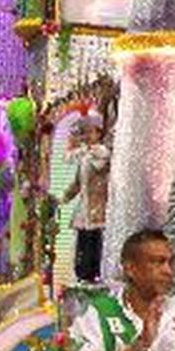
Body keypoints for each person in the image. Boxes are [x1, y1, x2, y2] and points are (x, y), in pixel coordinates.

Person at [62, 111, 112, 284]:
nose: (87, 136)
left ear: (99, 133)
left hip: (97, 207)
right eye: (85, 132)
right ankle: (81, 275)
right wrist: (65, 197)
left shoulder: (102, 154)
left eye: (91, 132)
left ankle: (93, 275)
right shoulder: (85, 155)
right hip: (84, 208)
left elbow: (100, 166)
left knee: (94, 242)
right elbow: (78, 182)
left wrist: (85, 150)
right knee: (82, 241)